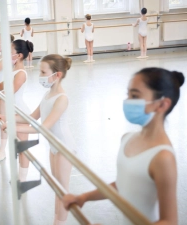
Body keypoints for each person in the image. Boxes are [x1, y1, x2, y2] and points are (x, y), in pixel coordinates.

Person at [63, 68, 183, 225]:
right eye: (127, 95)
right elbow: (123, 184)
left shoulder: (162, 157)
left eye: (134, 96)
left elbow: (169, 221)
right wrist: (83, 197)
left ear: (161, 104)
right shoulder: (127, 139)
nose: (127, 101)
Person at [0, 54, 75, 224]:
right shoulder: (48, 95)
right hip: (54, 145)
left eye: (43, 72)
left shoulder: (62, 99)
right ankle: (56, 221)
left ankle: (59, 222)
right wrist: (6, 117)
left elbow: (41, 128)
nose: (40, 76)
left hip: (64, 147)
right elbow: (31, 117)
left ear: (57, 75)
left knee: (62, 190)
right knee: (57, 188)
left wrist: (12, 127)